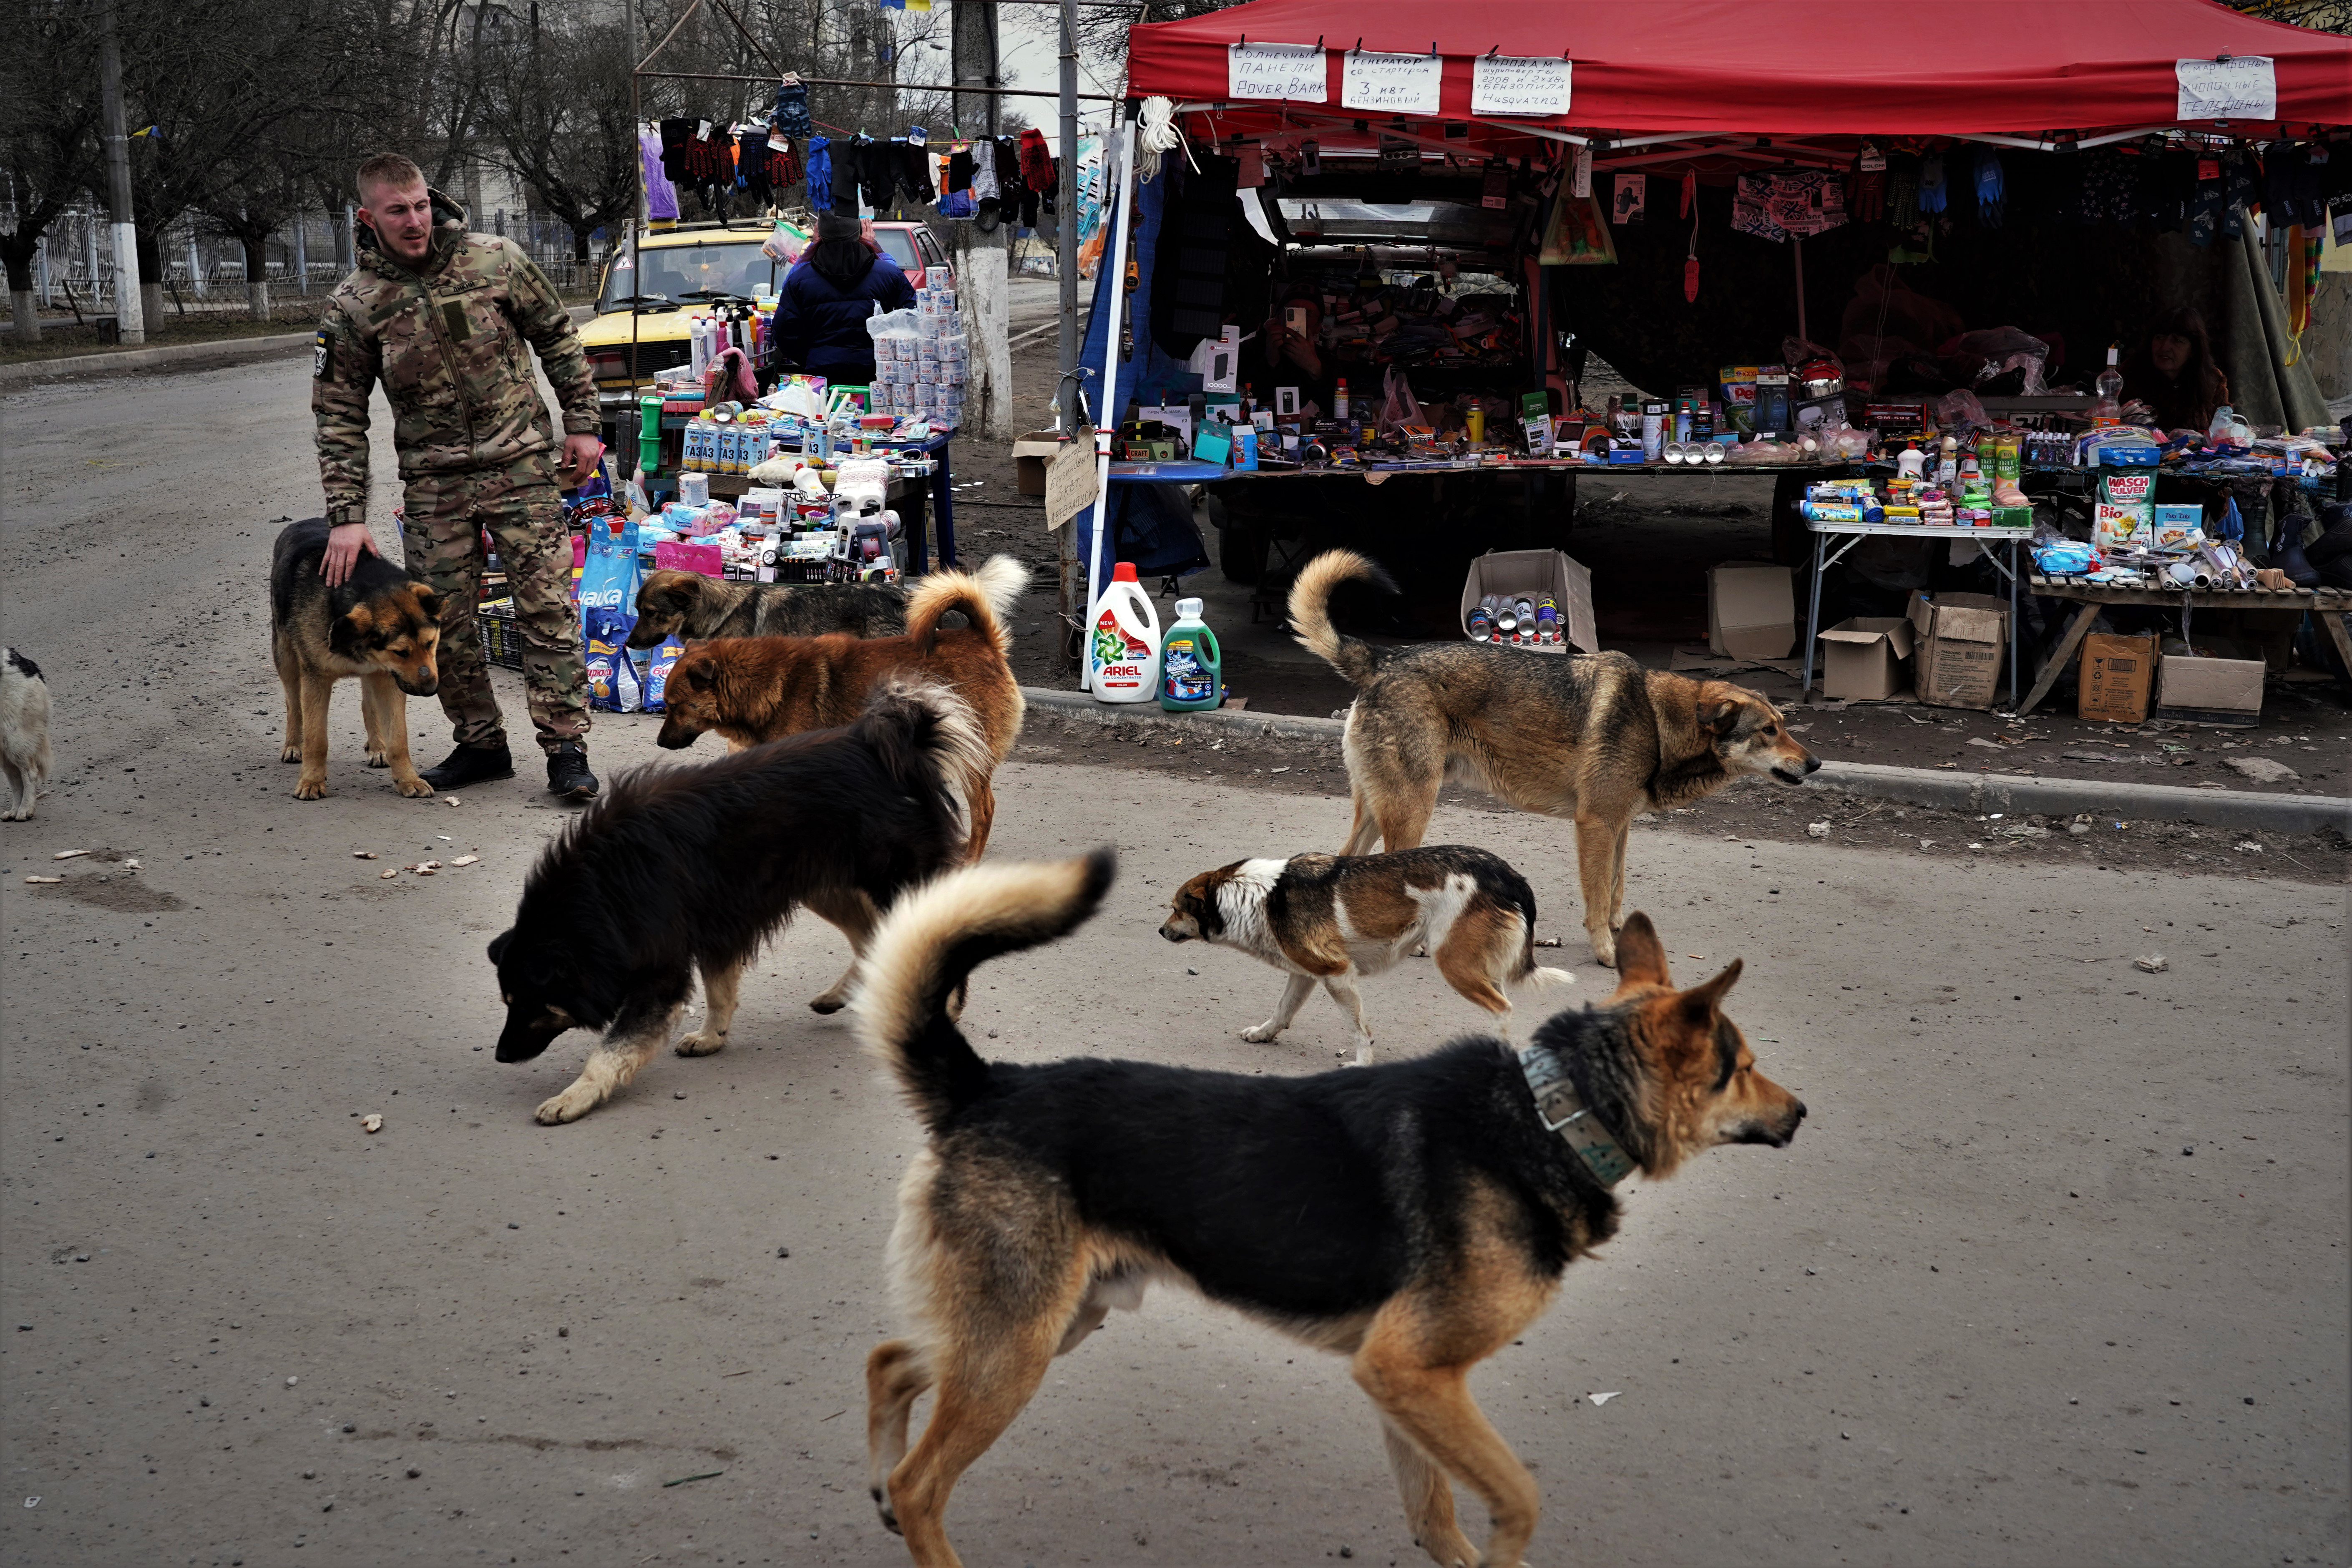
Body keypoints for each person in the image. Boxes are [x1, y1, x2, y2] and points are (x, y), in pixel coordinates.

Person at [312, 151, 604, 800]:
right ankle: (479, 743)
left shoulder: (494, 258)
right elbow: (337, 413)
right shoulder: (355, 304)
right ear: (369, 217)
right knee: (446, 622)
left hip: (521, 465)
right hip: (434, 482)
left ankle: (565, 749)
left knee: (546, 610)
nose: (414, 221)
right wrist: (346, 515)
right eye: (397, 211)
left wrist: (582, 422)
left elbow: (558, 335)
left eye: (420, 205)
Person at [772, 212, 915, 388]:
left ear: (820, 236)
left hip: (822, 373)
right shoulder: (889, 275)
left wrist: (813, 356)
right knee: (877, 417)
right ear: (858, 233)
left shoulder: (800, 279)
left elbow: (784, 331)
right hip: (878, 373)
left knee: (825, 417)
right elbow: (913, 320)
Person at [2120, 305, 2230, 435]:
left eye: (2177, 341)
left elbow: (2222, 435)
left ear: (2193, 350)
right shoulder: (2130, 375)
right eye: (2159, 338)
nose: (2165, 347)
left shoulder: (2212, 383)